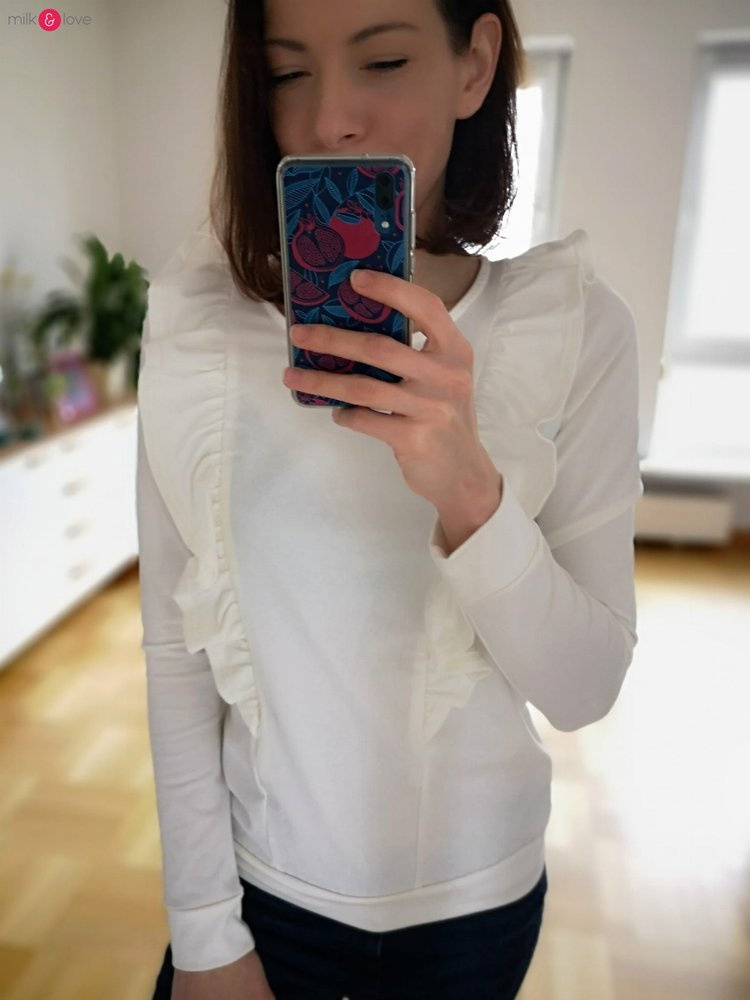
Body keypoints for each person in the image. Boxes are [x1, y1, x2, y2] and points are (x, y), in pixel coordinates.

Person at [136, 0, 642, 998]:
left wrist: (471, 495)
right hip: (257, 898)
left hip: (477, 915)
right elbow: (173, 655)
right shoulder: (198, 331)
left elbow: (585, 690)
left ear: (475, 65)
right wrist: (203, 936)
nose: (329, 120)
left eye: (383, 60)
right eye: (289, 73)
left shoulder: (575, 329)